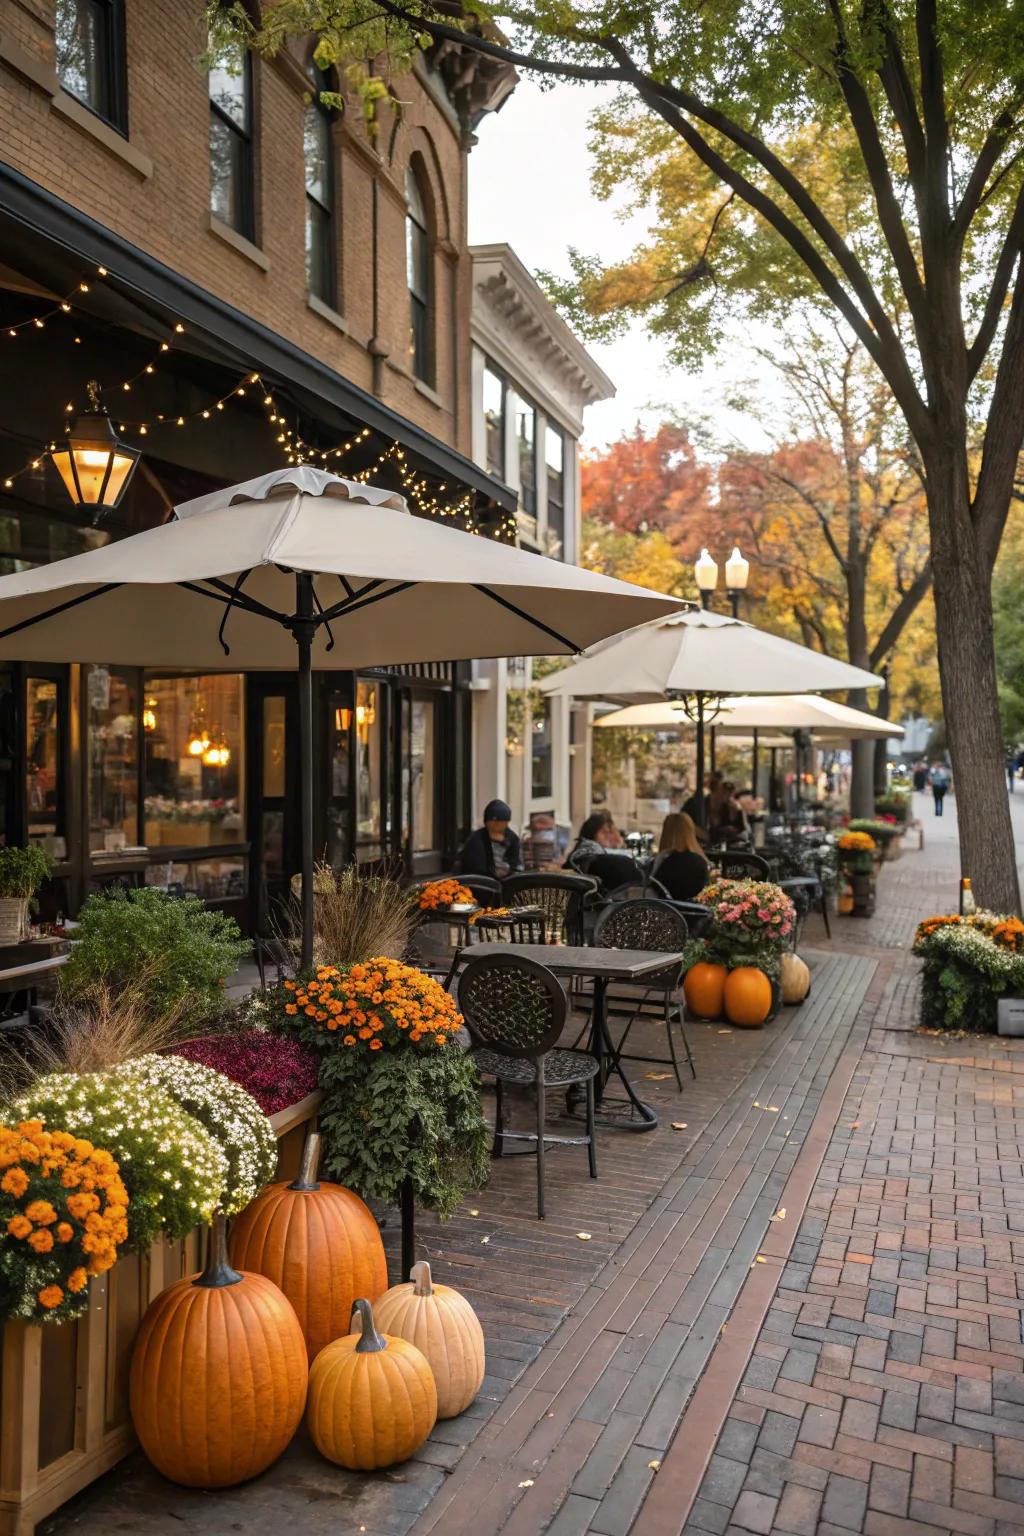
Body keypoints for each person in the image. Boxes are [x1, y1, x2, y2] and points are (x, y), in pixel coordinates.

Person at [565, 811, 641, 889]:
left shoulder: (581, 851)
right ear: (601, 833)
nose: (617, 837)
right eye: (611, 832)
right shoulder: (594, 856)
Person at [455, 799, 523, 879]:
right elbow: (473, 868)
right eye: (494, 822)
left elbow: (518, 865)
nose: (497, 825)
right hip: (481, 882)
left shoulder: (512, 838)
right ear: (487, 822)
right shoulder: (476, 839)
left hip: (507, 882)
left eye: (501, 822)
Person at [651, 812, 710, 901]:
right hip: (693, 912)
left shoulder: (657, 864)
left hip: (664, 912)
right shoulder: (699, 862)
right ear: (690, 832)